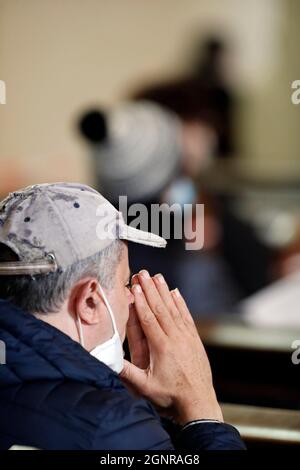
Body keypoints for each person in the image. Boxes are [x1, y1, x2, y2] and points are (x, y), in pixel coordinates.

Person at [0, 182, 245, 450]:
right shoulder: (111, 427)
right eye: (125, 283)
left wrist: (150, 417)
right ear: (90, 302)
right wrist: (202, 410)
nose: (131, 297)